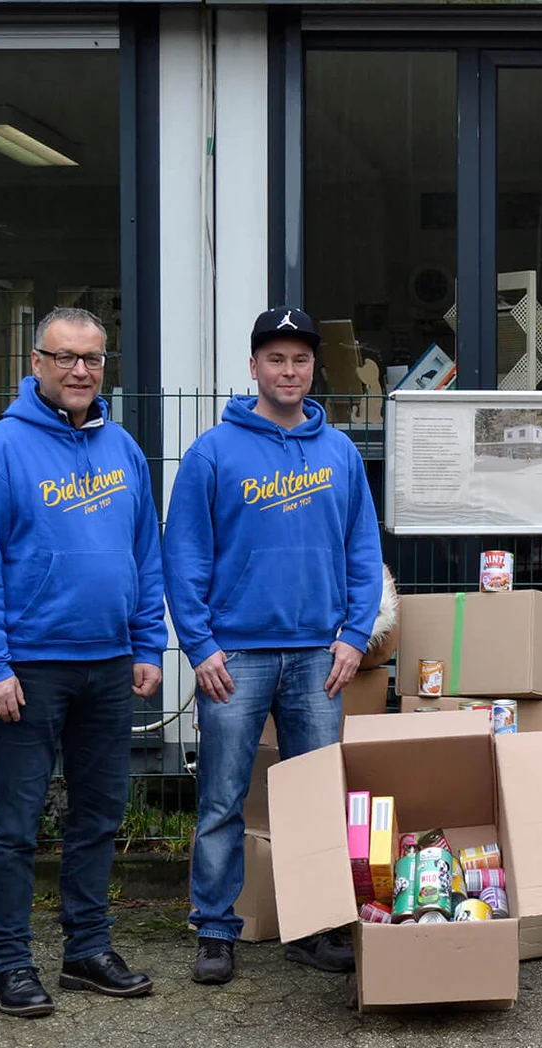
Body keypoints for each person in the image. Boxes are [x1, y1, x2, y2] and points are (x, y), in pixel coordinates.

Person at [0, 306, 165, 1017]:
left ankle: (86, 951)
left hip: (110, 665)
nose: (79, 370)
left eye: (92, 358)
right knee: (15, 825)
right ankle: (10, 964)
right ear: (36, 362)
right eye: (65, 357)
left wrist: (147, 644)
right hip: (30, 669)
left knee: (98, 816)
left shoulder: (123, 449)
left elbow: (145, 555)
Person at [165, 308, 384, 985]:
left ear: (314, 367)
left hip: (319, 656)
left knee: (315, 798)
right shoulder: (212, 453)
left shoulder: (340, 453)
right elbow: (184, 555)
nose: (289, 371)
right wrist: (200, 645)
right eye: (276, 359)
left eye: (300, 360)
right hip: (234, 657)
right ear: (254, 366)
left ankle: (314, 928)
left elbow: (363, 552)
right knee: (222, 798)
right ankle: (215, 929)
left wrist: (354, 636)